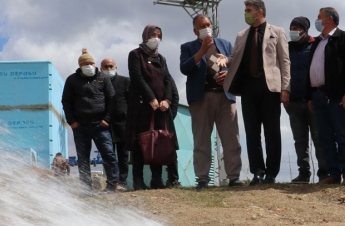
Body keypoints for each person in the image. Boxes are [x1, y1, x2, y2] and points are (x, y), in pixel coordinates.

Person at [222, 0, 290, 185]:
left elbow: (285, 61)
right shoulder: (241, 35)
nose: (246, 13)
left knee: (272, 131)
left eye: (249, 10)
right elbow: (234, 58)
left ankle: (271, 173)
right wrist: (223, 60)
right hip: (248, 89)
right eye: (245, 10)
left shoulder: (277, 32)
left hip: (270, 88)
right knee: (252, 132)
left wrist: (285, 87)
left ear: (260, 11)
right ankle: (257, 172)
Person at [180, 14, 243, 191]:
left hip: (225, 97)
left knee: (231, 139)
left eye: (208, 24)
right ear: (195, 30)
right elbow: (185, 68)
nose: (206, 28)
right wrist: (201, 52)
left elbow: (235, 66)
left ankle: (234, 177)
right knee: (201, 140)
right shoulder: (187, 47)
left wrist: (228, 73)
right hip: (201, 98)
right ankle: (202, 178)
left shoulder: (225, 44)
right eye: (202, 26)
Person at [305, 8, 345, 185]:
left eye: (319, 17)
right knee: (324, 137)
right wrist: (310, 97)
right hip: (318, 95)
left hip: (337, 96)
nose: (317, 20)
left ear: (329, 19)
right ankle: (333, 173)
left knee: (342, 135)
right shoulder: (316, 42)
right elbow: (311, 70)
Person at [126, 25, 179, 190]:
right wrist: (151, 98)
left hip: (160, 109)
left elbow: (167, 80)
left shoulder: (161, 58)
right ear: (145, 36)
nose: (156, 38)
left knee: (158, 142)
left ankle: (157, 179)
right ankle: (138, 180)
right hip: (141, 107)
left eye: (159, 35)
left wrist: (167, 100)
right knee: (139, 143)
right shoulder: (135, 55)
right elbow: (137, 77)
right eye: (153, 35)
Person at [61, 48, 120, 193]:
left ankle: (113, 184)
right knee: (83, 158)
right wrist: (72, 121)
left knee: (108, 154)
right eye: (85, 63)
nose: (89, 65)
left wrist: (107, 119)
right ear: (80, 65)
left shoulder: (103, 78)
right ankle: (86, 188)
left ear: (94, 64)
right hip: (80, 126)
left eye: (91, 63)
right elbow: (66, 101)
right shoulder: (72, 80)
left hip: (100, 124)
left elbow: (112, 99)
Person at [286, 16, 327, 183]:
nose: (293, 32)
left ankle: (324, 172)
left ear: (305, 30)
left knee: (319, 137)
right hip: (293, 101)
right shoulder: (287, 48)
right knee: (300, 139)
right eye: (292, 28)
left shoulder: (316, 45)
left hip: (313, 100)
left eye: (297, 28)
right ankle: (303, 172)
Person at [101, 58, 130, 188]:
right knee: (108, 155)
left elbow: (132, 102)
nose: (108, 69)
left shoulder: (125, 81)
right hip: (105, 125)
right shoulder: (98, 83)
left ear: (116, 67)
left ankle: (122, 181)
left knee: (123, 155)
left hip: (123, 124)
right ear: (101, 69)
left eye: (111, 66)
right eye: (105, 67)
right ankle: (112, 182)